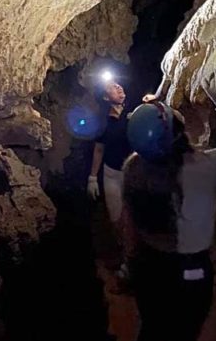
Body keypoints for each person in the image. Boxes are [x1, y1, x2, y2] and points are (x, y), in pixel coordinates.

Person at [122, 72, 216, 341]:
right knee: (185, 329)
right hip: (190, 269)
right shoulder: (204, 167)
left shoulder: (133, 168)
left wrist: (130, 263)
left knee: (152, 327)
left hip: (149, 266)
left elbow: (129, 223)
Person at [87, 79, 133, 281]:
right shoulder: (103, 121)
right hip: (112, 174)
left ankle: (134, 260)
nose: (119, 87)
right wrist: (92, 177)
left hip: (133, 173)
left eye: (119, 85)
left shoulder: (134, 112)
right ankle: (125, 258)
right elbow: (99, 149)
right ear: (106, 97)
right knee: (116, 219)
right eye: (113, 87)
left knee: (134, 217)